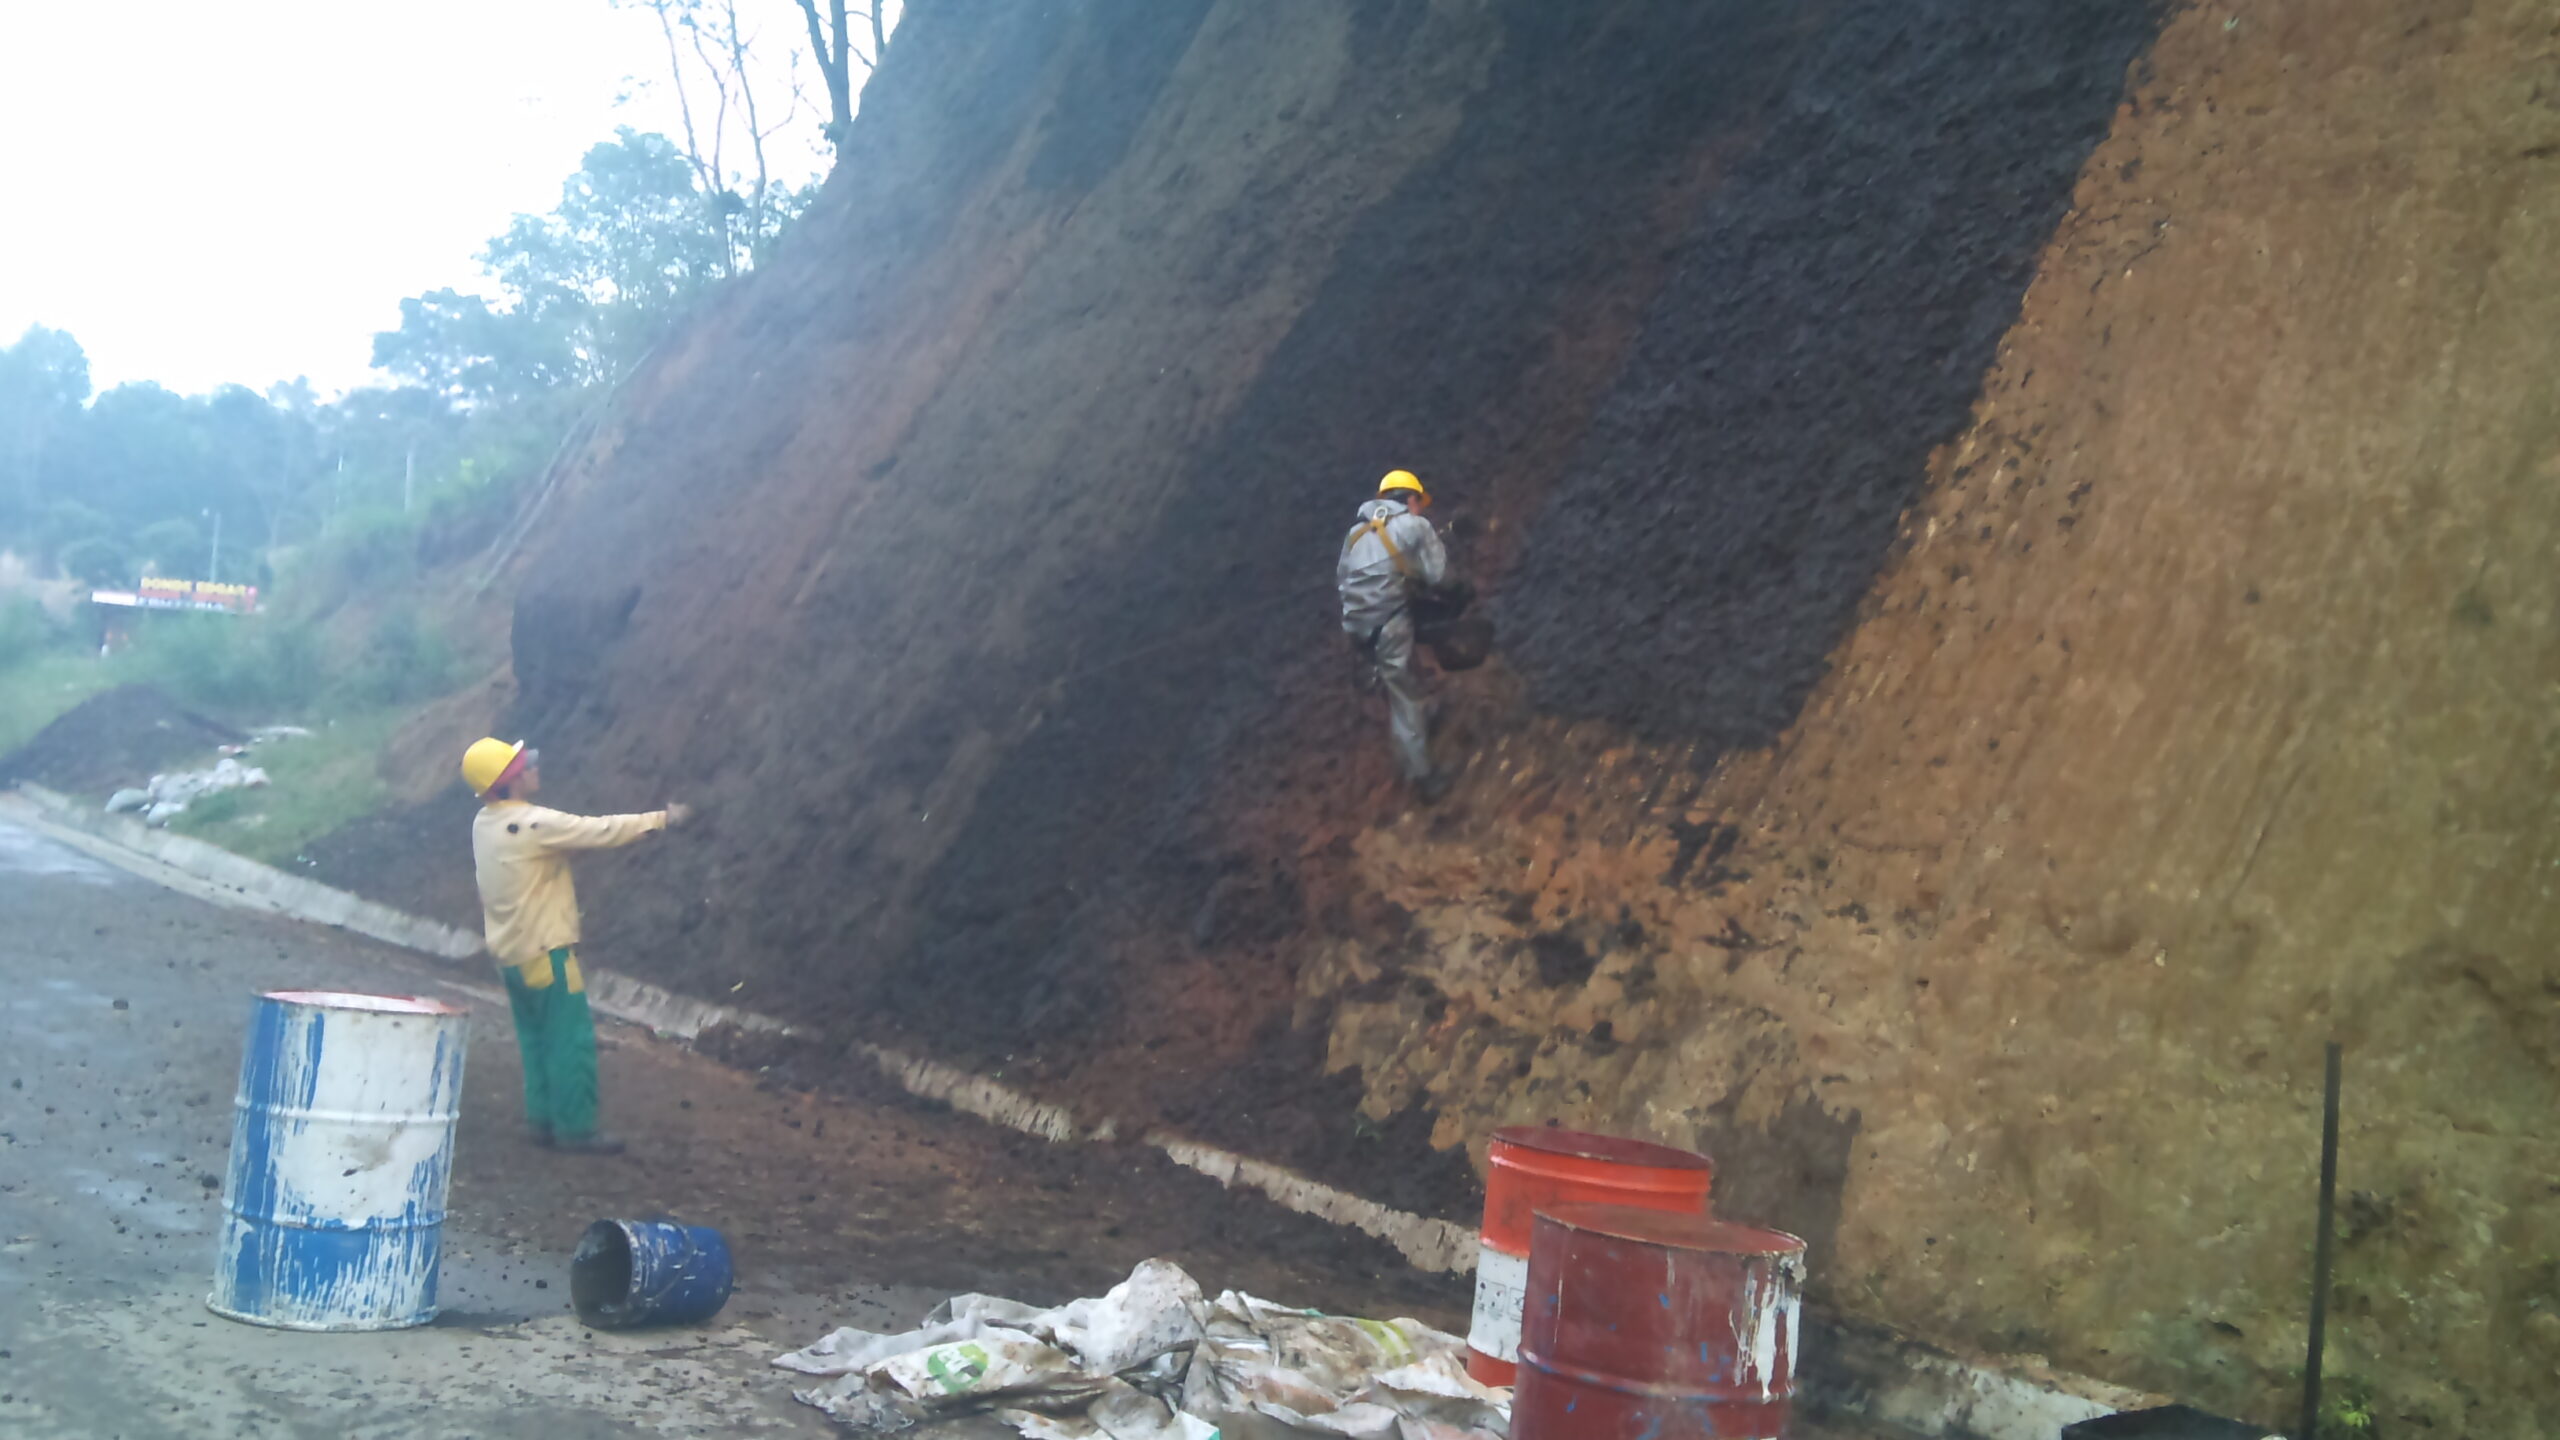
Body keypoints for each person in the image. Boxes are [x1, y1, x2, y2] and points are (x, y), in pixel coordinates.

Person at [458, 737, 690, 1155]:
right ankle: (576, 1129)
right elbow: (600, 831)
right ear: (509, 781)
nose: (532, 766)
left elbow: (539, 857)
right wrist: (663, 818)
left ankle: (543, 1121)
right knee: (571, 1040)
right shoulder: (533, 825)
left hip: (509, 954)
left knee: (536, 1040)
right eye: (523, 764)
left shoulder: (485, 824)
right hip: (547, 952)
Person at [1337, 469, 1458, 800]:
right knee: (1403, 695)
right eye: (1419, 503)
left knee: (1400, 677)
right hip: (1389, 622)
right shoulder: (1414, 525)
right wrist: (1459, 590)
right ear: (1410, 499)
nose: (1421, 510)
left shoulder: (1356, 535)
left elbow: (1347, 582)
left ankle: (1421, 720)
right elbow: (1440, 577)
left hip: (1360, 628)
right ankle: (1422, 777)